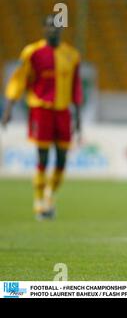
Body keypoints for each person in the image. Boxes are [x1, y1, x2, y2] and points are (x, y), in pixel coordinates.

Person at [1, 15, 82, 220]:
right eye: (49, 27)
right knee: (43, 157)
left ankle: (49, 194)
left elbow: (76, 87)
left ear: (61, 30)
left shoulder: (71, 55)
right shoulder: (32, 52)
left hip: (63, 112)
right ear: (43, 29)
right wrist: (9, 107)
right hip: (41, 110)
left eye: (57, 27)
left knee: (62, 159)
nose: (53, 30)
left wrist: (78, 117)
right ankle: (39, 200)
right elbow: (19, 79)